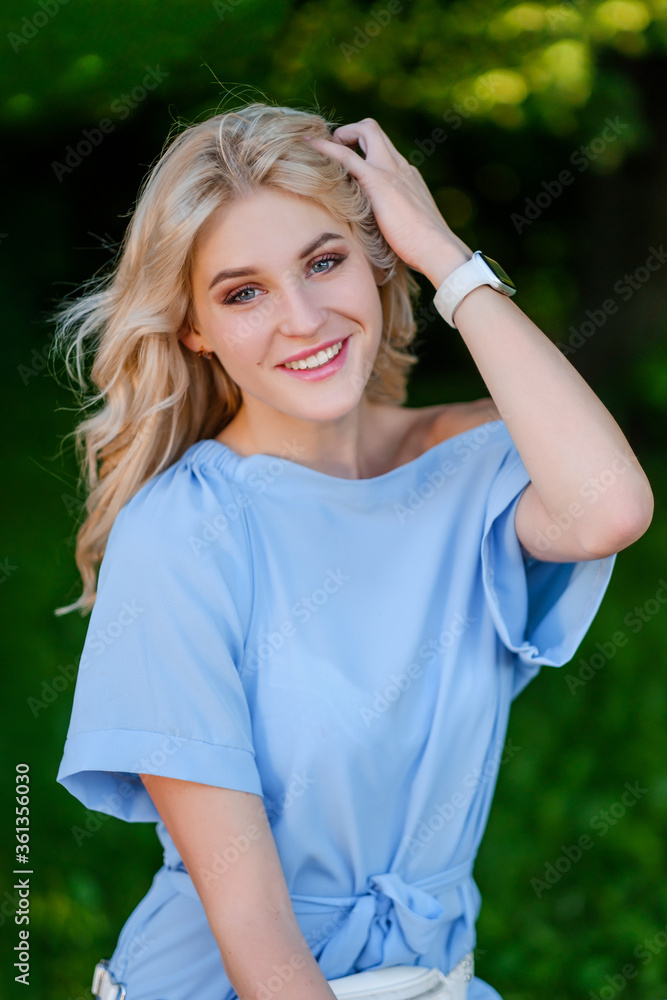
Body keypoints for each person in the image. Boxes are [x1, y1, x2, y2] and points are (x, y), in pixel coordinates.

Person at [54, 101, 653, 1000]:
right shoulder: (182, 534)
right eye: (242, 291)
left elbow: (608, 509)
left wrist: (447, 258)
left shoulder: (474, 463)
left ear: (380, 266)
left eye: (324, 262)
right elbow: (253, 928)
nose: (301, 318)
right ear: (193, 329)